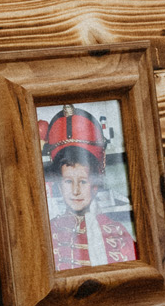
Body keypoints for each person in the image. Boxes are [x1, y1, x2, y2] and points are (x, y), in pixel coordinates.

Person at [42, 104, 137, 269]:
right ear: (59, 185)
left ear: (95, 185)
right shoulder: (46, 234)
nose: (76, 191)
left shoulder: (118, 232)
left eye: (83, 181)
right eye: (68, 181)